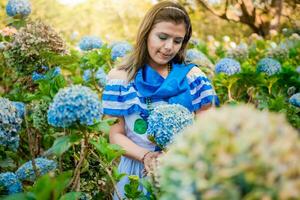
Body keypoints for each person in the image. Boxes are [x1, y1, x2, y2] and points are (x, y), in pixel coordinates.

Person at [102, 1, 219, 199]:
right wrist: (147, 156)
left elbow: (209, 128)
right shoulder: (121, 80)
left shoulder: (193, 77)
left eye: (177, 40)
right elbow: (115, 135)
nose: (168, 47)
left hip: (182, 168)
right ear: (146, 33)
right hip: (135, 171)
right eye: (162, 37)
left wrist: (179, 155)